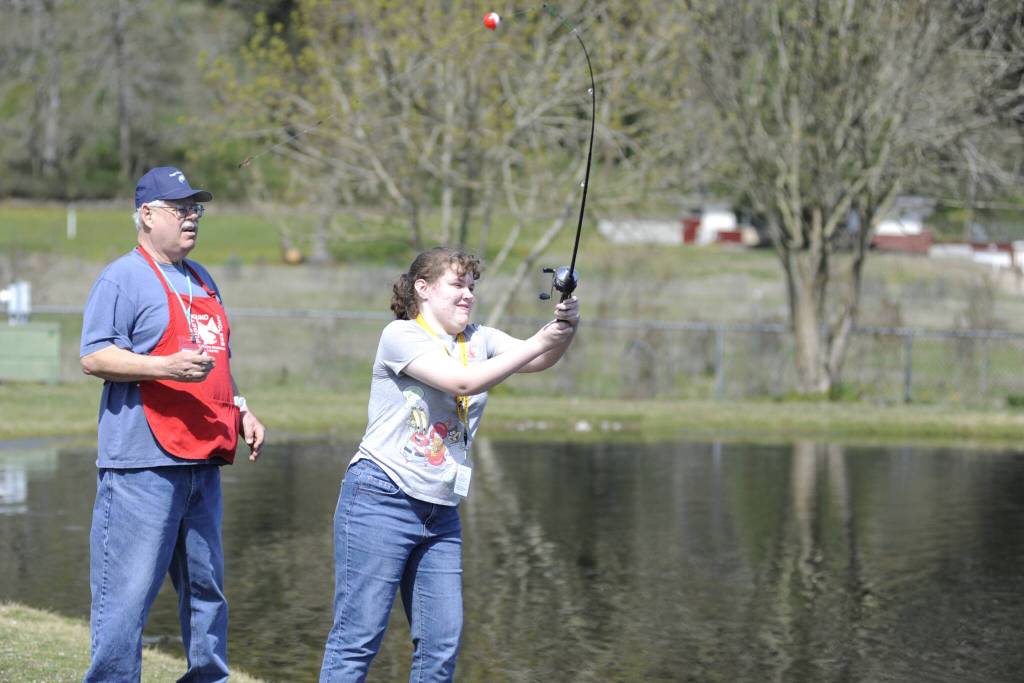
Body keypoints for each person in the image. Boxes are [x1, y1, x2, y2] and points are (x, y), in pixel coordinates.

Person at [319, 246, 579, 682]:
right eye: (458, 284)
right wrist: (541, 338)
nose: (468, 295)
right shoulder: (401, 335)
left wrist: (566, 326)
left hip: (440, 510)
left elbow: (539, 358)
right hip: (380, 498)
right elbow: (462, 381)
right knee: (357, 640)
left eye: (472, 286)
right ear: (422, 288)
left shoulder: (479, 339)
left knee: (440, 647)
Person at [79, 166, 266, 682]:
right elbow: (94, 356)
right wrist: (163, 367)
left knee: (207, 593)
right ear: (146, 215)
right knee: (126, 596)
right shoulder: (122, 277)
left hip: (203, 460)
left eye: (195, 208)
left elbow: (217, 360)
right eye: (180, 208)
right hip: (143, 465)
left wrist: (240, 408)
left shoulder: (203, 278)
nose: (192, 218)